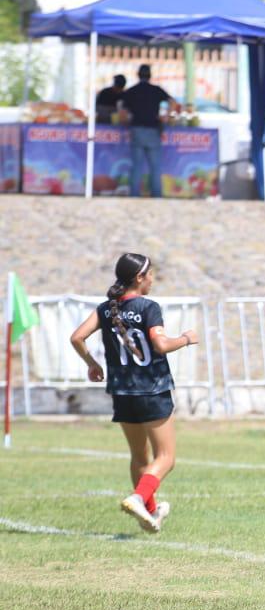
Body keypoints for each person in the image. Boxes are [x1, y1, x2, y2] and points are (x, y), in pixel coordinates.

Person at [68, 253, 199, 533]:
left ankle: (150, 512)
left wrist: (92, 364)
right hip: (152, 390)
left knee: (139, 457)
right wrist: (187, 339)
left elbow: (76, 337)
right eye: (151, 274)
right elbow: (161, 345)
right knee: (166, 457)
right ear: (139, 278)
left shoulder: (106, 309)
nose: (153, 279)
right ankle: (139, 498)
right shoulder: (148, 306)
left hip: (122, 393)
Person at [121, 64, 175, 198]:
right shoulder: (156, 90)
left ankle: (134, 195)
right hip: (153, 130)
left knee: (137, 166)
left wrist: (126, 122)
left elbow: (122, 111)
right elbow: (172, 102)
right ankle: (157, 195)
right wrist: (166, 116)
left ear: (138, 75)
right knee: (155, 166)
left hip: (137, 129)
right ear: (150, 75)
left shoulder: (131, 91)